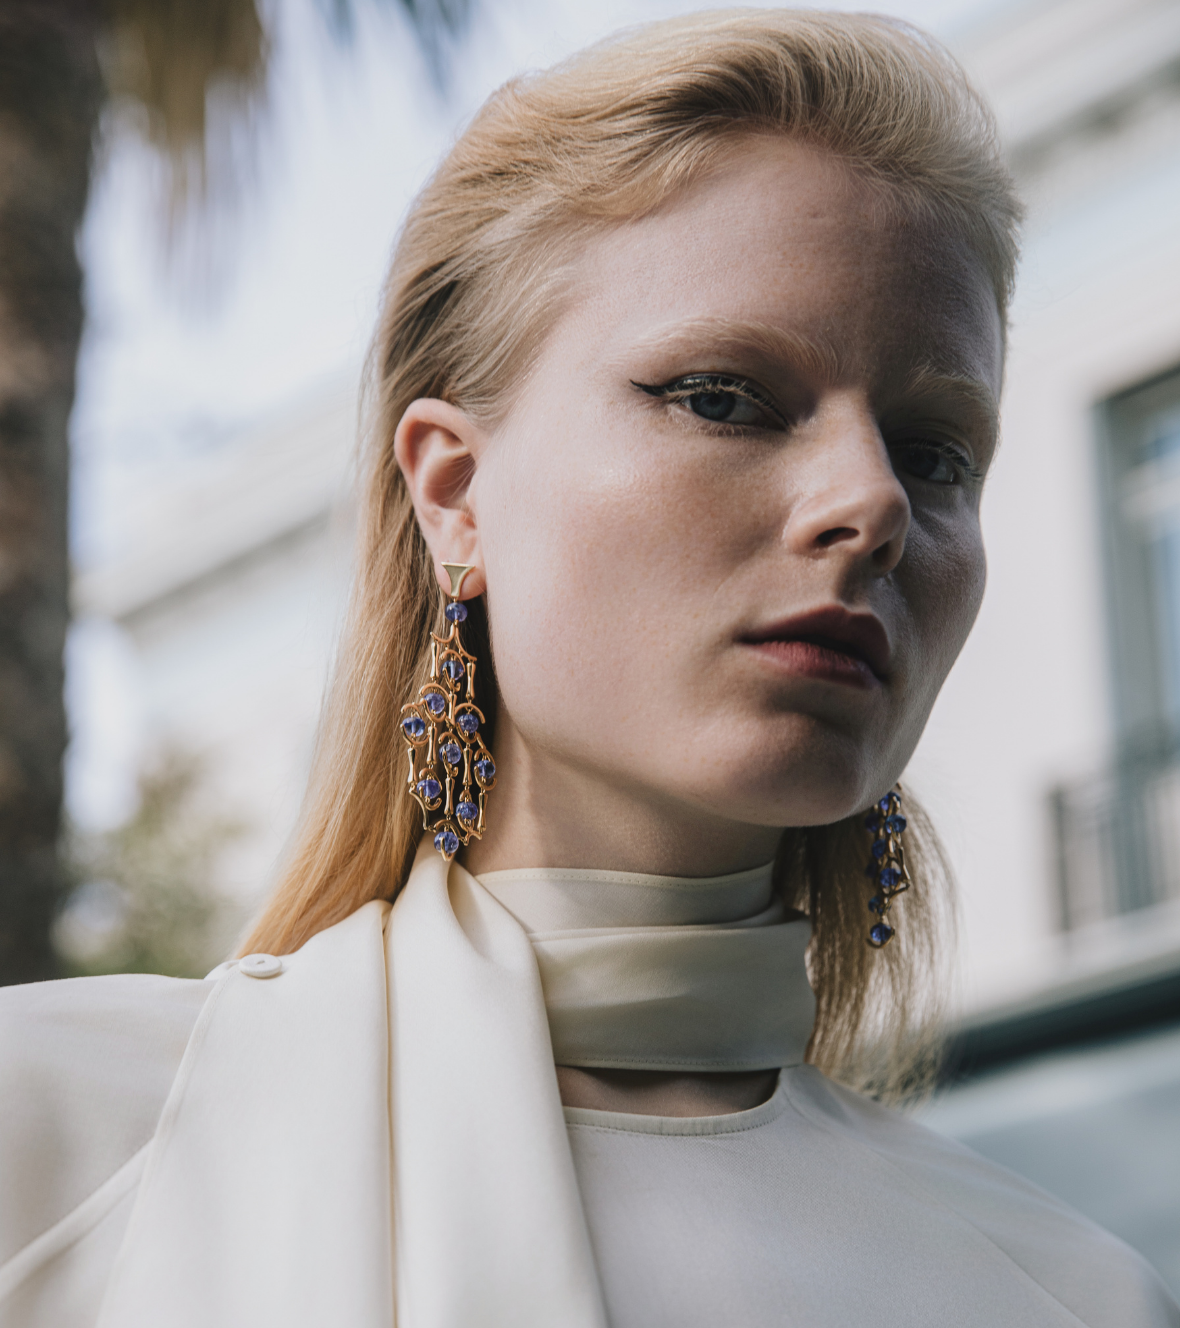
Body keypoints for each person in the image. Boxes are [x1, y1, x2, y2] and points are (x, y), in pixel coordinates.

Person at [1, 10, 1176, 1327]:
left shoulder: (1075, 1296)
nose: (872, 502)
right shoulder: (52, 1144)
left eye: (936, 452)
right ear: (455, 492)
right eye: (723, 397)